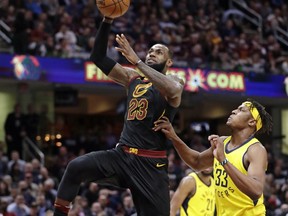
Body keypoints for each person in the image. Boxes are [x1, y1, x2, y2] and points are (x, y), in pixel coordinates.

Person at [53, 16, 184, 216]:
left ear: (169, 62)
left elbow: (173, 90)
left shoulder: (173, 80)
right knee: (75, 168)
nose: (152, 54)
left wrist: (137, 61)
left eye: (159, 52)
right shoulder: (132, 78)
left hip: (150, 165)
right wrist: (107, 21)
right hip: (122, 156)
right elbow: (98, 57)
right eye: (150, 51)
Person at [153, 99, 273, 216]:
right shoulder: (222, 142)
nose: (233, 111)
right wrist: (173, 136)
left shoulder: (255, 149)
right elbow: (196, 162)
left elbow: (256, 191)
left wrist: (223, 160)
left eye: (241, 110)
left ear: (251, 122)